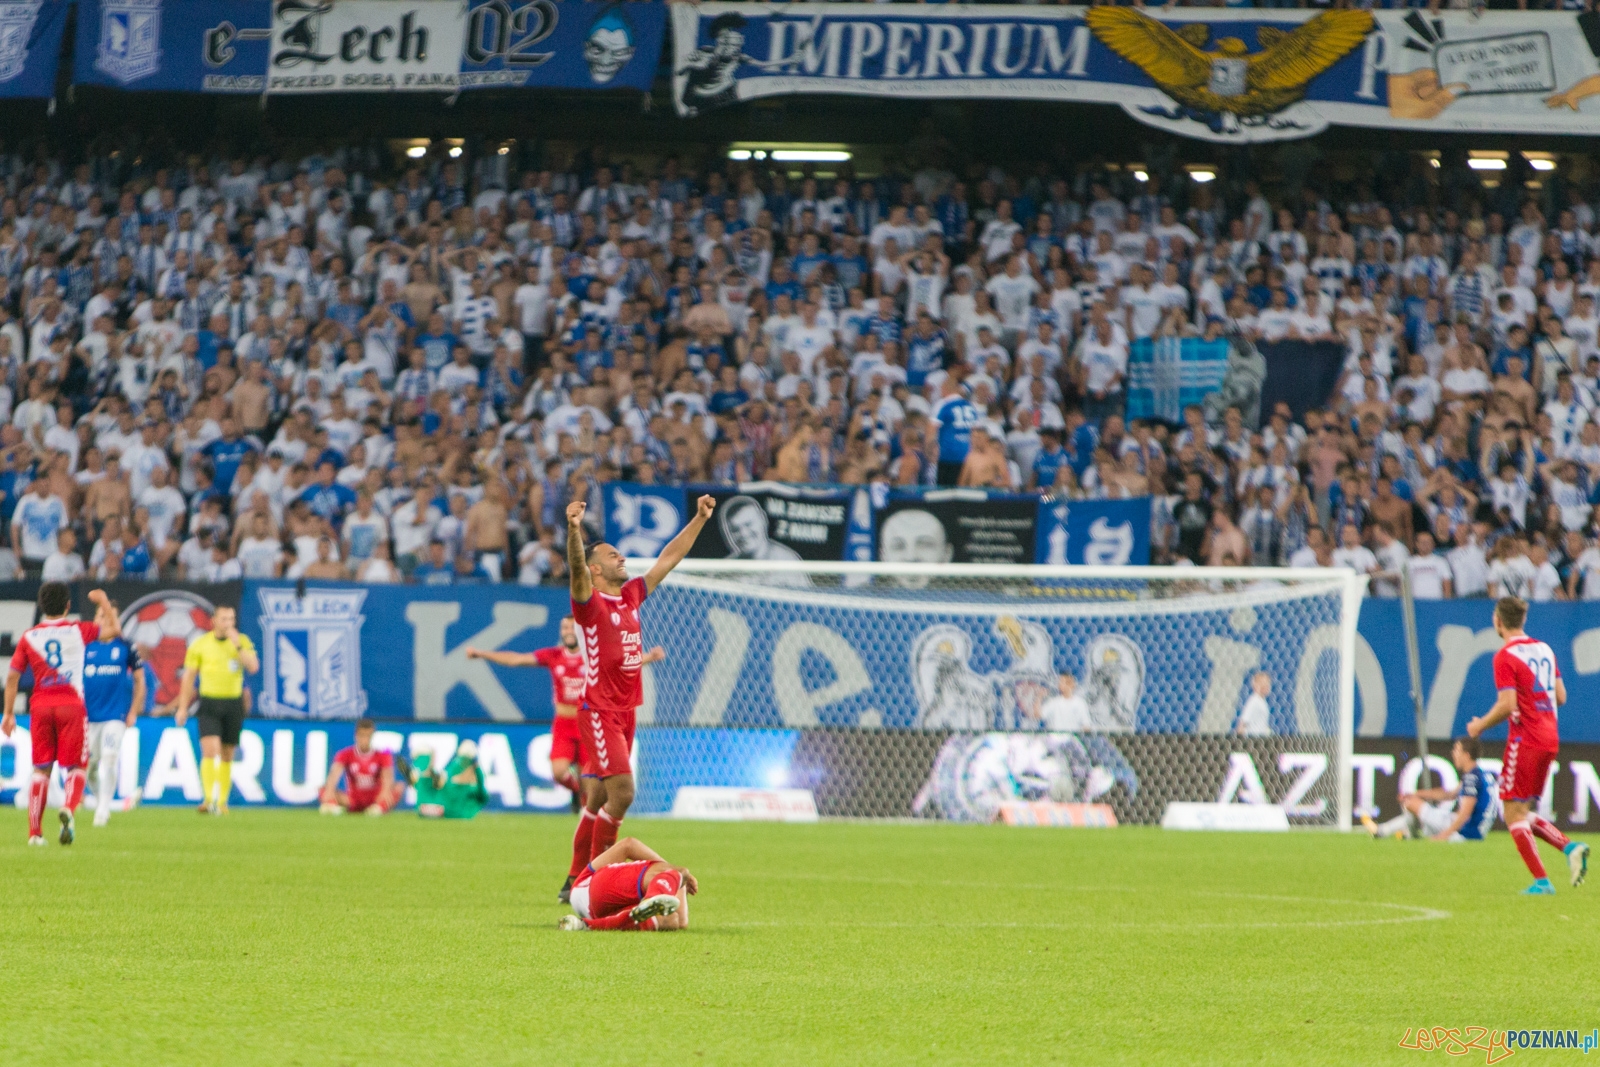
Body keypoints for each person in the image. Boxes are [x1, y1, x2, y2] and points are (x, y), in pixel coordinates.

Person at [565, 493, 715, 888]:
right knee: (624, 794)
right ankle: (596, 881)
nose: (622, 558)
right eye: (613, 555)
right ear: (596, 569)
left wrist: (699, 519)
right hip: (598, 710)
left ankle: (572, 879)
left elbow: (668, 558)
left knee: (598, 800)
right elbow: (576, 571)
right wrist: (573, 530)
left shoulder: (630, 595)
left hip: (626, 710)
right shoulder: (588, 603)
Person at [465, 617, 664, 901]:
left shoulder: (594, 658)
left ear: (583, 633)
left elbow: (624, 666)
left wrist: (649, 658)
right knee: (561, 774)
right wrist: (482, 653)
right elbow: (516, 660)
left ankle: (581, 877)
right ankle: (584, 873)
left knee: (594, 800)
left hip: (594, 727)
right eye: (564, 629)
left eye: (572, 628)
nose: (568, 632)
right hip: (566, 723)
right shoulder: (554, 656)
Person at [1467, 596, 1590, 893]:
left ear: (1498, 621)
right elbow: (1560, 696)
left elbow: (1507, 704)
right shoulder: (1544, 649)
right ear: (1522, 620)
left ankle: (1542, 881)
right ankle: (1569, 847)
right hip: (1550, 737)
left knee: (1511, 812)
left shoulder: (1505, 656)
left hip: (1526, 738)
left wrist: (1480, 725)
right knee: (1520, 809)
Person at [0, 583, 121, 845]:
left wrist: (8, 714)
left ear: (41, 607)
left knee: (41, 769)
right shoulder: (78, 630)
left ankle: (35, 833)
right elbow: (115, 630)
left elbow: (12, 677)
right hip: (71, 706)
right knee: (77, 765)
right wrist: (103, 603)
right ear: (68, 605)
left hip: (41, 706)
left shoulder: (29, 636)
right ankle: (68, 806)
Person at [174, 605, 259, 815]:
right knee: (210, 749)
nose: (228, 623)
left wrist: (238, 645)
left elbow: (253, 667)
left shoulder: (242, 641)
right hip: (210, 702)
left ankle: (222, 802)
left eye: (231, 619)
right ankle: (208, 798)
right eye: (224, 619)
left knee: (228, 753)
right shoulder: (201, 644)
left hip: (233, 703)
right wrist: (183, 707)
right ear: (214, 621)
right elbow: (189, 677)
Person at [1362, 737, 1498, 842]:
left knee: (1410, 803)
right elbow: (1449, 795)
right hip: (1475, 831)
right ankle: (1382, 831)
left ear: (1466, 755)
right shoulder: (1480, 774)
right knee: (1414, 804)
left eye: (1456, 750)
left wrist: (1443, 836)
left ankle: (1407, 835)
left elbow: (1465, 813)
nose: (1453, 753)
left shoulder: (1472, 778)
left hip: (1465, 834)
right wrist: (1418, 794)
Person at [82, 611, 146, 827]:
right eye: (101, 616)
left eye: (110, 617)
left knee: (109, 757)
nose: (105, 621)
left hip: (115, 715)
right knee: (88, 766)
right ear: (95, 620)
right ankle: (103, 802)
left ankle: (101, 811)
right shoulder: (84, 645)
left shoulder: (125, 646)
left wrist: (133, 711)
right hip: (88, 717)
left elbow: (140, 680)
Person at [558, 836, 698, 932]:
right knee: (681, 872)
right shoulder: (661, 876)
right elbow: (628, 845)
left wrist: (677, 878)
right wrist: (674, 873)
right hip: (588, 888)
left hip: (593, 907)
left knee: (669, 920)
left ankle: (583, 925)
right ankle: (651, 898)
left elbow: (681, 922)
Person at [319, 718, 405, 816]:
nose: (365, 739)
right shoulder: (345, 754)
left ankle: (378, 808)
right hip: (353, 799)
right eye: (362, 735)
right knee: (323, 789)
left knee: (398, 787)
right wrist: (330, 790)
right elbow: (334, 774)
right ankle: (334, 807)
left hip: (375, 798)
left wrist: (385, 791)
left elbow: (388, 777)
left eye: (368, 736)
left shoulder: (382, 755)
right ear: (356, 736)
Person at [411, 739, 487, 819]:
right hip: (443, 806)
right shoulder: (459, 769)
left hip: (439, 807)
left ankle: (420, 769)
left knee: (432, 782)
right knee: (437, 783)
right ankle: (422, 771)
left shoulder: (456, 770)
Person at [719, 495, 801, 562]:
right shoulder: (727, 569)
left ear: (763, 520)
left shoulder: (787, 561)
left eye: (748, 524)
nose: (743, 533)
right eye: (735, 530)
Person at [1235, 672, 1272, 736]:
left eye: (1268, 683)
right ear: (1256, 685)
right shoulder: (1254, 701)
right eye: (1263, 684)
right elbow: (1243, 723)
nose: (1267, 686)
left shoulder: (1262, 701)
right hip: (1253, 739)